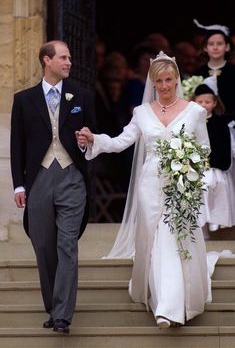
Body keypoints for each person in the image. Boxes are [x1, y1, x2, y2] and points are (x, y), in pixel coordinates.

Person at [76, 51, 211, 328]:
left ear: (177, 80)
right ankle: (160, 296)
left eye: (168, 80)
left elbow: (204, 148)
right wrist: (94, 139)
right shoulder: (141, 112)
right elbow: (121, 141)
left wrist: (188, 168)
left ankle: (169, 308)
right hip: (149, 184)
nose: (163, 86)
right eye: (158, 80)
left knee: (171, 237)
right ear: (152, 82)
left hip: (180, 183)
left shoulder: (195, 112)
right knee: (153, 240)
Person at [10, 40, 94, 334]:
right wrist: (18, 186)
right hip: (39, 179)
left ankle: (62, 315)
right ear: (47, 60)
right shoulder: (24, 99)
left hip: (72, 178)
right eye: (63, 57)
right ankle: (53, 305)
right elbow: (16, 144)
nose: (69, 62)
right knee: (44, 245)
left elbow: (93, 138)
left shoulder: (82, 95)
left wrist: (87, 141)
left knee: (67, 245)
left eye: (70, 57)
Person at [192, 79, 235, 234]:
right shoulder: (191, 122)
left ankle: (215, 227)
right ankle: (201, 230)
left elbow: (226, 145)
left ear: (215, 103)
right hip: (196, 169)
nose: (204, 105)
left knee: (216, 193)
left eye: (207, 102)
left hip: (215, 167)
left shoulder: (221, 123)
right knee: (199, 196)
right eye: (200, 102)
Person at [193, 19, 235, 116]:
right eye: (211, 44)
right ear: (205, 48)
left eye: (219, 44)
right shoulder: (198, 73)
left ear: (227, 47)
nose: (215, 47)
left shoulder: (233, 71)